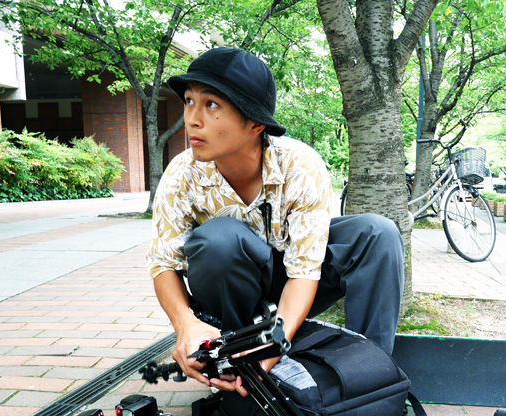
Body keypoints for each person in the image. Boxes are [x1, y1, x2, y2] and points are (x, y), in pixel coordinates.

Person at [146, 47, 404, 395]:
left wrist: (276, 342)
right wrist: (185, 324)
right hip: (229, 287)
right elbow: (164, 264)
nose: (192, 118)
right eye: (189, 100)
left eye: (211, 104)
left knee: (377, 234)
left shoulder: (300, 165)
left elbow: (304, 272)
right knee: (219, 239)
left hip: (294, 280)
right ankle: (236, 360)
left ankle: (371, 376)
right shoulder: (181, 173)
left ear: (255, 124)